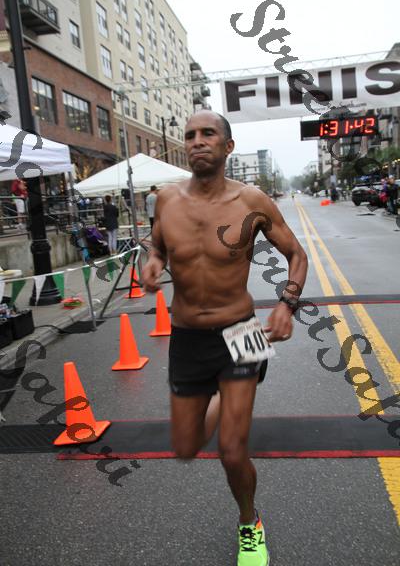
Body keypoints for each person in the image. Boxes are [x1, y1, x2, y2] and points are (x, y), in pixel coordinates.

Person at [142, 110, 308, 566]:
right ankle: (221, 393)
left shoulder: (251, 200)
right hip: (187, 336)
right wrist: (152, 262)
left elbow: (296, 254)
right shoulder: (166, 200)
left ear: (227, 146)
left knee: (232, 451)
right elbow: (157, 244)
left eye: (207, 134)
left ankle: (249, 523)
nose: (197, 141)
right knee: (186, 447)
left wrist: (286, 304)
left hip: (241, 330)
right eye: (190, 135)